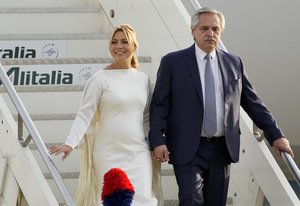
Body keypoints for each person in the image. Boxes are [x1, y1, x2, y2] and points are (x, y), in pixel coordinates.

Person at [148, 7, 294, 206]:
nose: (210, 33)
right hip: (187, 146)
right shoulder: (173, 62)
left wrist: (276, 135)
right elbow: (159, 105)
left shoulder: (234, 63)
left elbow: (253, 103)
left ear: (221, 32)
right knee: (191, 199)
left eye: (215, 29)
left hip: (222, 148)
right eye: (204, 28)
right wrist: (158, 139)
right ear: (193, 31)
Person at [49, 24, 162, 206]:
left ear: (134, 46)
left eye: (125, 42)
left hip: (139, 152)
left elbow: (147, 118)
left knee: (143, 200)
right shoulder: (99, 78)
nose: (119, 46)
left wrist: (154, 145)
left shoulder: (143, 79)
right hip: (108, 153)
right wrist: (70, 143)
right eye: (114, 42)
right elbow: (84, 115)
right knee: (113, 201)